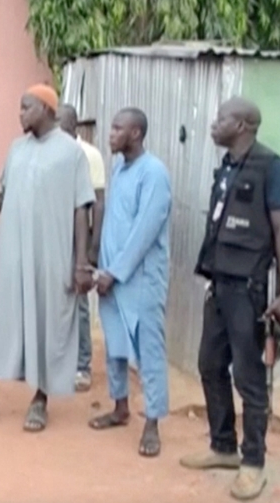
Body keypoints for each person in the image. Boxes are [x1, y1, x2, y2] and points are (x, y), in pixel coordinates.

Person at [0, 84, 95, 433]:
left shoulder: (71, 154)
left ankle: (40, 400)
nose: (19, 114)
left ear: (47, 110)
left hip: (51, 255)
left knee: (46, 323)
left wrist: (81, 264)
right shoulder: (16, 149)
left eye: (26, 107)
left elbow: (82, 209)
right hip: (12, 254)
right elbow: (6, 197)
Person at [180, 97, 280, 501]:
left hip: (249, 291)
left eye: (222, 118)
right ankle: (224, 447)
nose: (214, 124)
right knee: (210, 364)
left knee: (249, 378)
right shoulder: (228, 167)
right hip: (220, 285)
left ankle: (253, 463)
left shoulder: (271, 167)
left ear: (243, 125)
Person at [87, 108, 172, 458]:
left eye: (118, 128)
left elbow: (144, 232)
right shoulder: (120, 168)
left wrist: (115, 272)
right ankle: (120, 407)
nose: (111, 134)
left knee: (148, 349)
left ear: (136, 133)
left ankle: (152, 423)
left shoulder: (154, 173)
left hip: (140, 279)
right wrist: (99, 267)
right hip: (111, 277)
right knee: (116, 346)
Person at [59, 105, 107, 392]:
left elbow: (98, 202)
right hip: (54, 236)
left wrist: (93, 248)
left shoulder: (89, 155)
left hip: (79, 238)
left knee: (79, 302)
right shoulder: (50, 152)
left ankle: (82, 365)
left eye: (60, 122)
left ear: (73, 125)